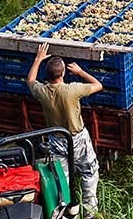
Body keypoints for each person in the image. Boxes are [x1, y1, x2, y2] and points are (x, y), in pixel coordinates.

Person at [26, 42, 103, 218]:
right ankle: (90, 213)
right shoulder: (72, 90)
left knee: (62, 180)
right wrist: (80, 72)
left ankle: (66, 212)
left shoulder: (43, 92)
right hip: (78, 139)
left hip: (57, 140)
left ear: (47, 75)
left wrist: (38, 59)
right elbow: (98, 85)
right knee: (89, 173)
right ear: (63, 73)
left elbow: (30, 81)